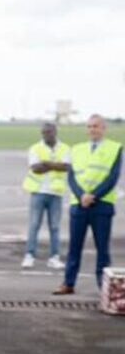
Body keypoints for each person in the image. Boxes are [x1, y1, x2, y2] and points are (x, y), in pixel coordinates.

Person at [54, 114, 122, 295]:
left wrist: (94, 196)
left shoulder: (115, 148)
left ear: (104, 128)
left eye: (96, 126)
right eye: (90, 126)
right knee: (74, 247)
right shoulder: (76, 149)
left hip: (101, 206)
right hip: (79, 205)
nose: (92, 129)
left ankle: (104, 286)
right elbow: (72, 176)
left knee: (102, 249)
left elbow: (112, 178)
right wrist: (81, 195)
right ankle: (69, 283)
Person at [21, 122, 70, 269]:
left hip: (56, 193)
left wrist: (47, 163)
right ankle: (29, 255)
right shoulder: (35, 148)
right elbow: (35, 169)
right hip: (38, 191)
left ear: (55, 132)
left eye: (48, 132)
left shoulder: (65, 148)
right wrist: (56, 165)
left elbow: (67, 167)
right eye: (43, 133)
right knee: (34, 225)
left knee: (55, 227)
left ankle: (54, 257)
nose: (46, 135)